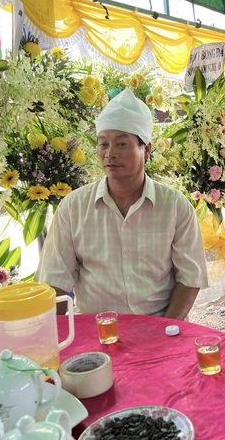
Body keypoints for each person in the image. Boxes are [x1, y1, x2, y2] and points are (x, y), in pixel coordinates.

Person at [35, 88, 209, 318]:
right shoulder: (73, 207)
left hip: (159, 325)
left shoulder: (175, 207)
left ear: (146, 150)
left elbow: (190, 278)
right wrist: (54, 338)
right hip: (97, 329)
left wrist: (166, 330)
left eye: (122, 144)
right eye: (103, 144)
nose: (110, 154)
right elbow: (54, 279)